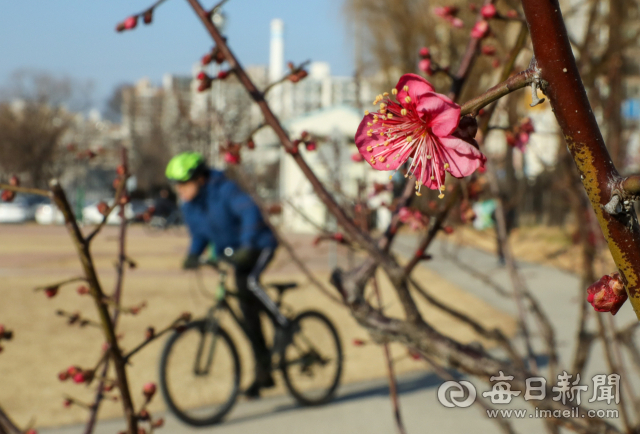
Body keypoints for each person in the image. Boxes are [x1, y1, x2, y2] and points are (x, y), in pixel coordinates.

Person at [165, 151, 287, 398]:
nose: (180, 190)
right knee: (247, 315)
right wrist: (193, 254)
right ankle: (263, 373)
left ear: (199, 178)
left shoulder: (225, 190)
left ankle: (283, 323)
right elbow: (200, 234)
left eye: (184, 184)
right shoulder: (190, 206)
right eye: (177, 185)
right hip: (233, 254)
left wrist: (246, 245)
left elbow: (250, 213)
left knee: (249, 282)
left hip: (259, 245)